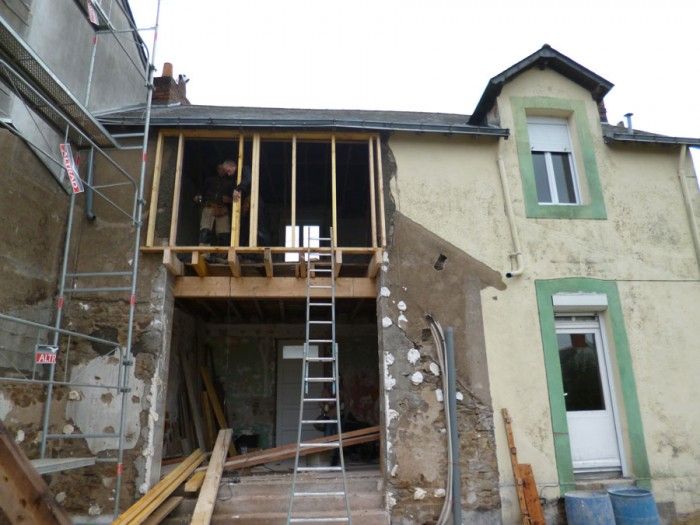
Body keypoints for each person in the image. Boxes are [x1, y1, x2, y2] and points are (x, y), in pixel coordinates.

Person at [194, 159, 238, 248]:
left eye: (223, 169)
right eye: (219, 168)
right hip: (209, 207)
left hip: (223, 209)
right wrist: (198, 197)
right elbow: (201, 193)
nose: (221, 170)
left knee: (223, 234)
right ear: (217, 169)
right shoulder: (209, 180)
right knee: (205, 230)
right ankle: (204, 253)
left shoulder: (231, 183)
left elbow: (237, 199)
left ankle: (222, 256)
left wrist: (229, 199)